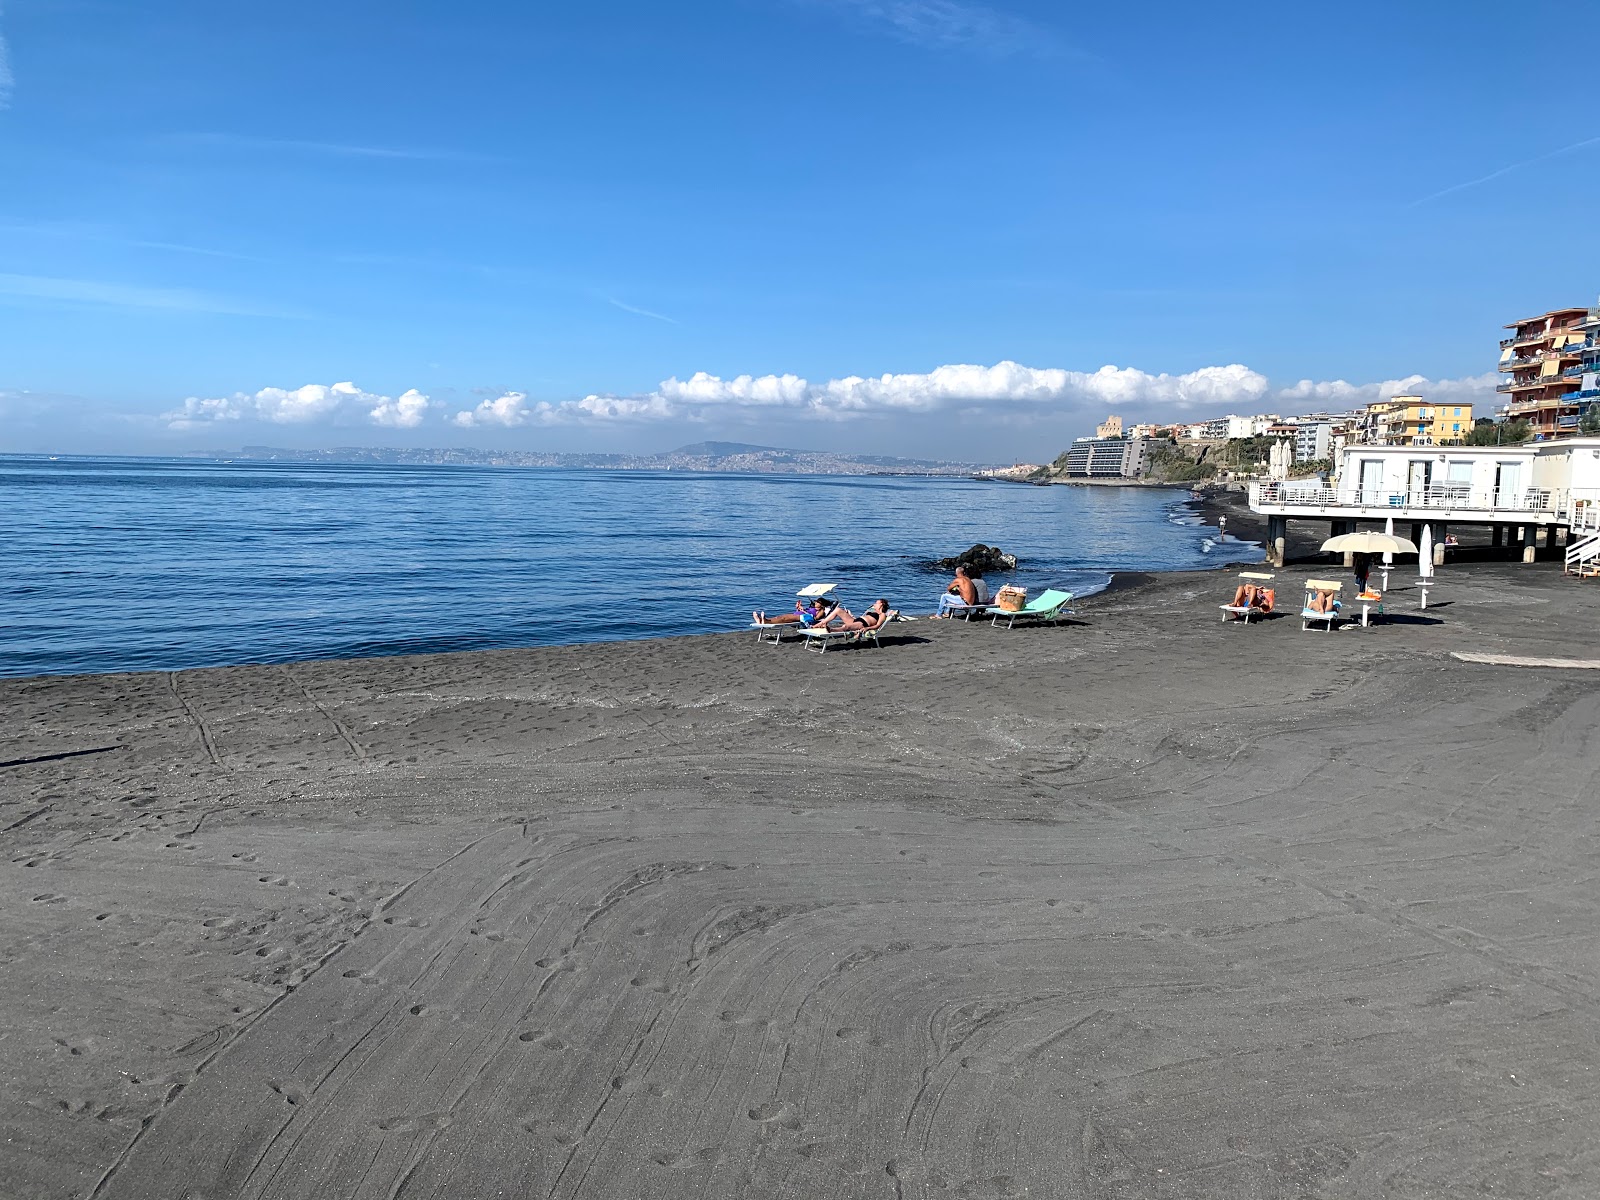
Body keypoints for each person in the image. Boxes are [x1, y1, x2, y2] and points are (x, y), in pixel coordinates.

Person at [817, 598, 890, 632]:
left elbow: (877, 625)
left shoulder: (882, 614)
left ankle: (831, 630)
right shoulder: (872, 611)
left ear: (881, 604)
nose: (874, 604)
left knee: (846, 626)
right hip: (855, 620)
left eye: (876, 603)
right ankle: (821, 623)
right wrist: (851, 615)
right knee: (838, 610)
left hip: (862, 624)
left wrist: (867, 628)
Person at [753, 596, 834, 626]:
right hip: (798, 615)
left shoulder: (821, 610)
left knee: (783, 618)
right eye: (816, 601)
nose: (816, 603)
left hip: (803, 618)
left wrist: (804, 611)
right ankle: (762, 620)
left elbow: (815, 618)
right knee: (781, 617)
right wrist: (798, 608)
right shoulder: (812, 608)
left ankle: (765, 621)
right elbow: (803, 611)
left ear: (822, 605)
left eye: (818, 602)